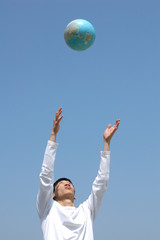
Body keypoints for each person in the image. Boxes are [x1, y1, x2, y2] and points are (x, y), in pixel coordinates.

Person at [37, 107, 120, 240]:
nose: (67, 183)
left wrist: (106, 143)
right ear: (52, 194)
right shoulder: (48, 209)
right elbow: (46, 175)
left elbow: (101, 183)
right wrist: (53, 134)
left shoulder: (86, 210)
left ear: (75, 196)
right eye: (61, 183)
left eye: (69, 183)